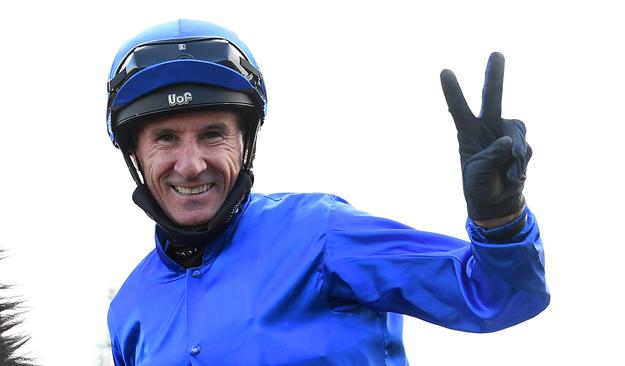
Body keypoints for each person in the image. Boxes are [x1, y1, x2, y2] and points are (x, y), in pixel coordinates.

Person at [105, 19, 549, 365]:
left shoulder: (320, 233)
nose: (191, 163)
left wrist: (500, 215)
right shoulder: (128, 308)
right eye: (165, 138)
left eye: (213, 135)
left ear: (245, 145)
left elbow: (499, 295)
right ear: (136, 156)